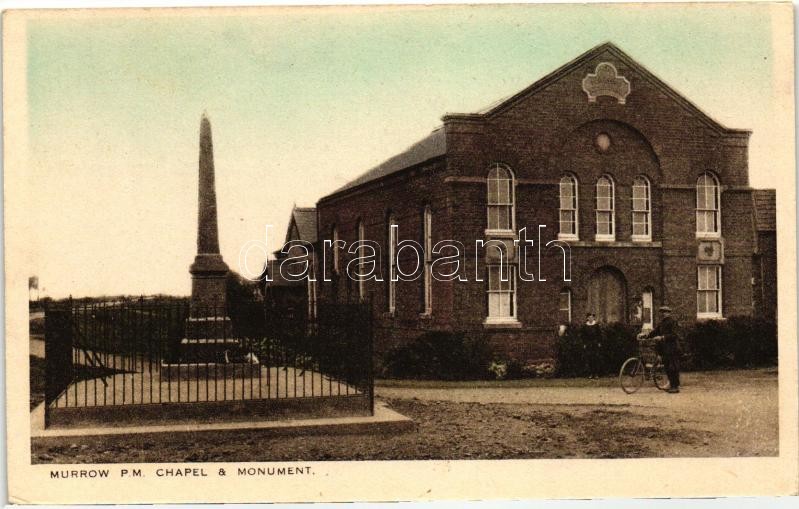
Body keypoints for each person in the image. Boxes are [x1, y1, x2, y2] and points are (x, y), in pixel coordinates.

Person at [645, 305, 681, 393]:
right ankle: (671, 384)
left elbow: (674, 335)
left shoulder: (672, 322)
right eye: (662, 312)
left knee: (673, 367)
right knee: (668, 367)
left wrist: (662, 337)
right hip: (664, 349)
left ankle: (675, 387)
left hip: (672, 348)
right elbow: (655, 332)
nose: (663, 314)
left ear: (669, 313)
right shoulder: (662, 323)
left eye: (665, 312)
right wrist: (646, 335)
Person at [583, 313, 601, 379]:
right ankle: (590, 374)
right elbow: (583, 335)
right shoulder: (585, 326)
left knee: (595, 358)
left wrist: (599, 342)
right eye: (589, 317)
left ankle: (596, 374)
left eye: (592, 317)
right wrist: (584, 343)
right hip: (588, 344)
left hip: (595, 344)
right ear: (587, 318)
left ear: (593, 318)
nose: (590, 318)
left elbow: (599, 334)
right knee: (589, 359)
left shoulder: (596, 325)